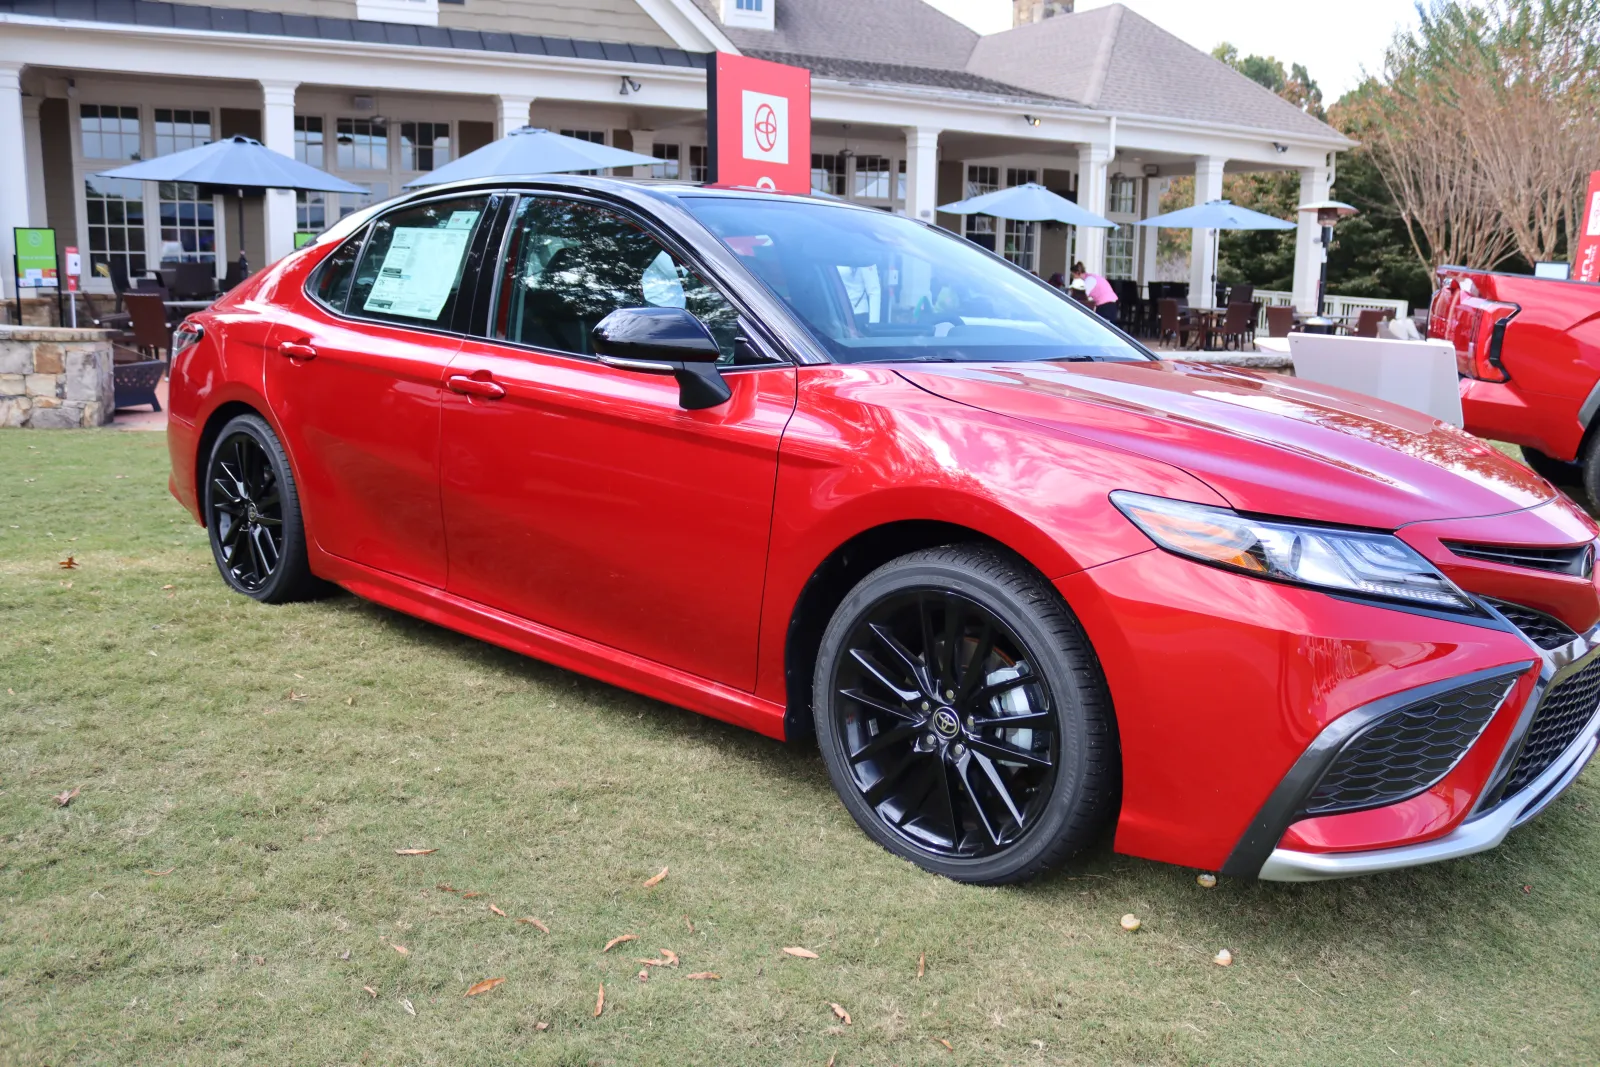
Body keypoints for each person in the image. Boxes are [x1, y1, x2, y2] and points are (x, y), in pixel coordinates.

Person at [1071, 261, 1119, 325]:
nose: (1073, 277)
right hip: (1108, 303)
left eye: (1073, 275)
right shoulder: (1091, 277)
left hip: (1106, 305)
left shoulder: (1089, 280)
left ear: (1077, 273)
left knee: (1103, 326)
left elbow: (1083, 296)